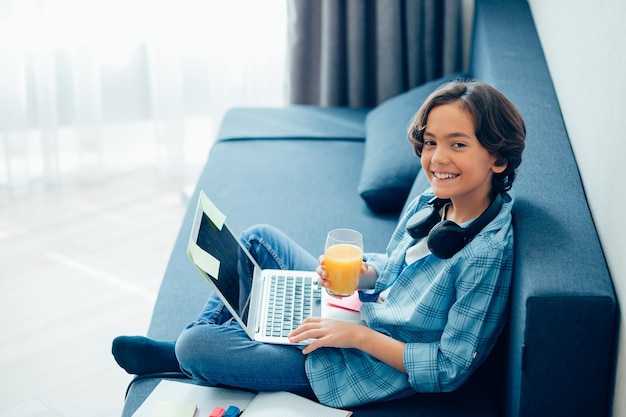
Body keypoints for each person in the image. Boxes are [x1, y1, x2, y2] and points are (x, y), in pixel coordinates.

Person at [112, 80, 526, 408]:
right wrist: (365, 274)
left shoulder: (485, 253)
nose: (436, 158)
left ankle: (187, 354)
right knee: (260, 238)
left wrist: (355, 337)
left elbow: (448, 368)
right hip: (356, 308)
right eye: (431, 142)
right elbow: (399, 265)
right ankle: (249, 329)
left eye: (457, 144)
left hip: (357, 364)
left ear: (498, 158)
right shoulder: (437, 200)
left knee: (195, 346)